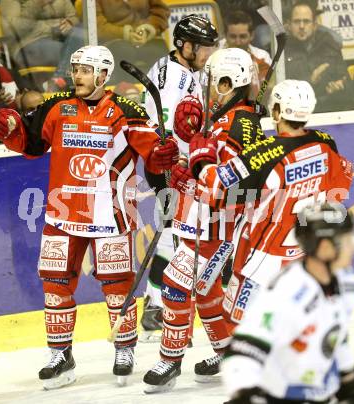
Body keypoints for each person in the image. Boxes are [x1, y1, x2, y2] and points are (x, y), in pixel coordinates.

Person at [0, 45, 179, 389]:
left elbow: (155, 153)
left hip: (112, 214)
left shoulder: (126, 111)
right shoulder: (57, 107)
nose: (77, 75)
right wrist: (11, 132)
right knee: (55, 283)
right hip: (63, 213)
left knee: (117, 284)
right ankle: (61, 355)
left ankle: (125, 348)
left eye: (86, 70)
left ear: (103, 75)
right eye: (76, 69)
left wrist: (164, 158)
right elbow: (31, 144)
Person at [188, 79, 354, 335]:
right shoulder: (326, 143)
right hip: (305, 256)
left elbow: (216, 190)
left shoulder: (263, 154)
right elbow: (342, 182)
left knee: (240, 327)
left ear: (276, 111)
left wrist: (202, 159)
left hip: (262, 261)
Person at [143, 47, 264, 393]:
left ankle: (170, 359)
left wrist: (198, 165)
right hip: (201, 221)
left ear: (228, 83)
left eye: (212, 81)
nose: (206, 87)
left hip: (217, 227)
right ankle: (229, 353)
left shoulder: (240, 123)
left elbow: (241, 179)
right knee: (206, 290)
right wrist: (182, 171)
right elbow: (207, 170)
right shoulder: (224, 119)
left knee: (176, 286)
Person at [222, 202, 354, 404]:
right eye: (346, 241)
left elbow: (335, 336)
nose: (353, 247)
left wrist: (348, 376)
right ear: (325, 247)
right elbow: (243, 352)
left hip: (321, 393)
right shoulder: (287, 292)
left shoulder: (347, 282)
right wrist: (244, 394)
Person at [140, 15, 219, 342]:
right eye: (204, 48)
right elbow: (172, 127)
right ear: (186, 46)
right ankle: (155, 308)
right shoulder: (178, 78)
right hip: (173, 162)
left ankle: (153, 304)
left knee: (173, 232)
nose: (208, 55)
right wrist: (185, 159)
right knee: (175, 235)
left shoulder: (171, 66)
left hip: (167, 161)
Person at [285, 0, 353, 112]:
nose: (301, 26)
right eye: (297, 22)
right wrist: (310, 81)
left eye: (306, 21)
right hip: (296, 114)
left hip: (331, 111)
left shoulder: (330, 45)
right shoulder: (281, 50)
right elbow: (279, 94)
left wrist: (339, 87)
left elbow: (349, 86)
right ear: (289, 25)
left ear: (315, 25)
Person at [0, 0, 80, 89]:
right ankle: (60, 82)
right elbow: (12, 30)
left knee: (83, 36)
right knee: (72, 53)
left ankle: (60, 82)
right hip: (28, 43)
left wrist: (70, 22)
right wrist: (37, 4)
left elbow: (74, 17)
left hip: (62, 39)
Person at [96, 0, 170, 83]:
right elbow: (96, 25)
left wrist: (149, 28)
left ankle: (164, 91)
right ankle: (124, 92)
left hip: (146, 38)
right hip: (113, 41)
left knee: (159, 50)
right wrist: (124, 33)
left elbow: (160, 11)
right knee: (123, 52)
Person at [219, 10, 272, 93]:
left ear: (252, 35)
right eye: (233, 37)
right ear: (225, 35)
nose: (238, 42)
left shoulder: (262, 57)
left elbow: (266, 91)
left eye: (243, 36)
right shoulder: (213, 55)